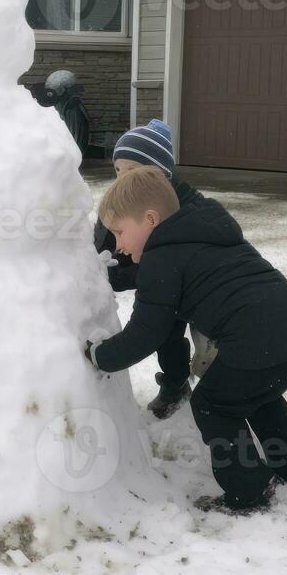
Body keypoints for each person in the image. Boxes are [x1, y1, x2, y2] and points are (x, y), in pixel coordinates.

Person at [84, 167, 287, 513]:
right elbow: (153, 276)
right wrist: (112, 276)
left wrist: (99, 356)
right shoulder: (201, 233)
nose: (117, 244)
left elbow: (145, 334)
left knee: (213, 403)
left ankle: (249, 491)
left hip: (255, 341)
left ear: (150, 219)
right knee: (256, 395)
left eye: (119, 232)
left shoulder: (163, 260)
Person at [94, 119, 203, 419]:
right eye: (118, 170)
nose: (122, 178)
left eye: (132, 171)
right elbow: (104, 246)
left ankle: (195, 386)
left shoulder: (185, 207)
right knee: (164, 336)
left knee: (181, 339)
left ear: (159, 175)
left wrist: (124, 276)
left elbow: (172, 261)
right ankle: (178, 383)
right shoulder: (119, 203)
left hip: (187, 288)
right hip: (156, 285)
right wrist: (102, 269)